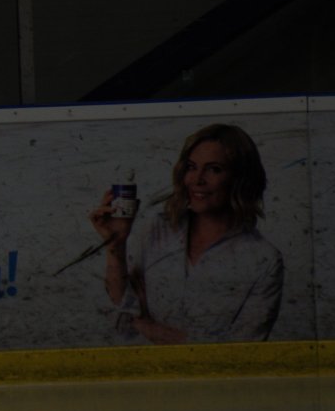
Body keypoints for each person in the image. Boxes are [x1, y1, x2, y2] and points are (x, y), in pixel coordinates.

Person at [87, 122, 284, 343]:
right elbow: (122, 312)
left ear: (241, 178)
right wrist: (116, 244)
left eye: (214, 169)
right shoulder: (159, 229)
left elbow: (242, 349)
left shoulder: (264, 259)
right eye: (191, 167)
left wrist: (147, 326)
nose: (197, 179)